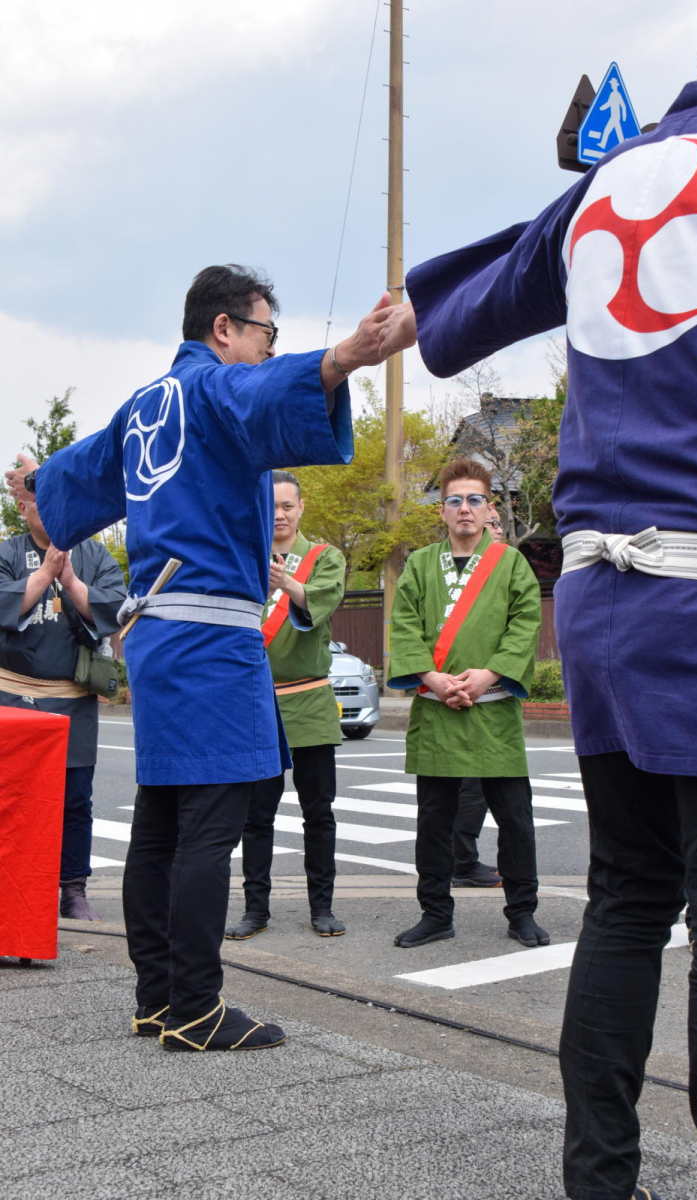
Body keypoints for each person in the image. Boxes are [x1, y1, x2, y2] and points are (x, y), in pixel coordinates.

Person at [378, 3, 697, 1196]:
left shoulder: (608, 185)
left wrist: (400, 315)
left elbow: (454, 317)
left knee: (625, 900)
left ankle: (597, 1178)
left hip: (604, 604)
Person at [7, 264, 392, 1052]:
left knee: (161, 820)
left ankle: (158, 998)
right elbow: (266, 390)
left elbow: (56, 493)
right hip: (212, 635)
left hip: (158, 630)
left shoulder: (145, 403)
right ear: (225, 328)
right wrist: (344, 356)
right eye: (266, 332)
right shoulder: (215, 387)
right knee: (210, 825)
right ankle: (195, 1006)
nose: (269, 348)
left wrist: (34, 486)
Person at [387, 458, 548, 949]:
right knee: (433, 822)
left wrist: (488, 675)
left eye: (474, 499)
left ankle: (522, 912)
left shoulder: (511, 563)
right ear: (441, 510)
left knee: (515, 820)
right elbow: (404, 625)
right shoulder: (419, 564)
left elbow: (525, 622)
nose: (464, 508)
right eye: (454, 500)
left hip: (494, 709)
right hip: (436, 708)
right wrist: (433, 678)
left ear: (488, 507)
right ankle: (435, 913)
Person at [225, 469, 347, 941]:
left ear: (301, 508)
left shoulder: (324, 557)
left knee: (319, 811)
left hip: (310, 700)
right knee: (256, 815)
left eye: (287, 506)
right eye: (271, 506)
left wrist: (287, 583)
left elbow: (323, 601)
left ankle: (323, 907)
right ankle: (256, 909)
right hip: (255, 702)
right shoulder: (241, 554)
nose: (279, 515)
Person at [0, 498, 126, 920]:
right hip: (13, 696)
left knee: (75, 799)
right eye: (41, 504)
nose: (52, 512)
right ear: (23, 509)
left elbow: (115, 610)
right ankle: (12, 886)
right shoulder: (7, 552)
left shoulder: (95, 554)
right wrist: (42, 576)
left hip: (72, 697)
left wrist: (69, 580)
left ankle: (73, 888)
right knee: (12, 796)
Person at [451, 505, 506, 889]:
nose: (497, 530)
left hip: (493, 688)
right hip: (461, 687)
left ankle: (462, 859)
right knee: (471, 785)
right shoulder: (458, 570)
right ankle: (461, 861)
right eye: (493, 524)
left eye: (498, 524)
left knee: (486, 785)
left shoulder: (506, 566)